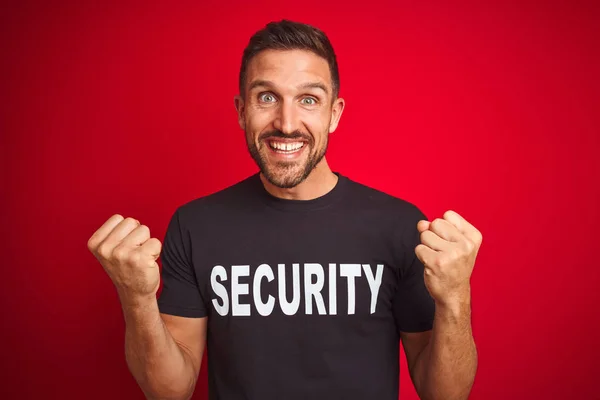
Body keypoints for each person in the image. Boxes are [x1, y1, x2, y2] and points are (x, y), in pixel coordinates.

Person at [87, 20, 482, 400]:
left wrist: (455, 296)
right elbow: (169, 391)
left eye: (308, 99)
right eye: (267, 97)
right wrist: (136, 297)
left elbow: (445, 393)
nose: (287, 123)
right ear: (242, 111)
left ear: (335, 113)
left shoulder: (400, 227)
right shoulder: (195, 225)